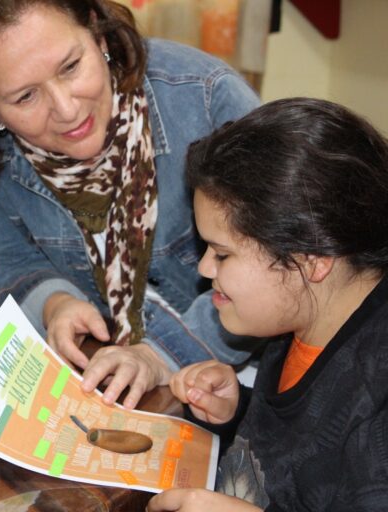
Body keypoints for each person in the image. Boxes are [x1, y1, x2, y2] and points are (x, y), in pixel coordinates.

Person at [0, 0, 261, 408]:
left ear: (98, 34)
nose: (67, 109)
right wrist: (56, 304)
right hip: (123, 395)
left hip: (247, 390)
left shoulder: (206, 100)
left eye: (71, 67)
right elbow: (9, 259)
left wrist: (160, 354)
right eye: (26, 97)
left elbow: (269, 266)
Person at [146, 97, 388, 511]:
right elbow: (299, 460)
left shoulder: (375, 395)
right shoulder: (300, 315)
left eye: (222, 254)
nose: (205, 268)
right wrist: (237, 412)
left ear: (310, 261)